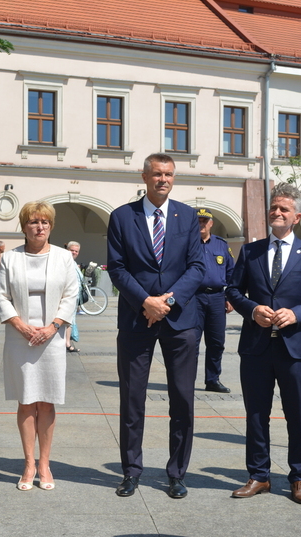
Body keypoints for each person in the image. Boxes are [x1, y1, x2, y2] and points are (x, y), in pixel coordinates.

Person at [106, 153, 205, 500]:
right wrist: (145, 302)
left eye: (169, 174)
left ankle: (177, 474)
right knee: (132, 399)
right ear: (145, 177)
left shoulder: (187, 216)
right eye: (158, 174)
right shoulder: (122, 217)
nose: (164, 179)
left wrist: (167, 301)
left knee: (182, 400)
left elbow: (197, 266)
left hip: (181, 321)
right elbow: (117, 268)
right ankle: (131, 471)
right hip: (137, 318)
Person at [226, 183, 301, 504]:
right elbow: (232, 290)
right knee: (256, 414)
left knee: (297, 415)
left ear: (297, 217)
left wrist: (297, 313)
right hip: (255, 347)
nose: (277, 213)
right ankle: (259, 475)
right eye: (274, 207)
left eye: (284, 209)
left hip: (294, 348)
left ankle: (299, 478)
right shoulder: (251, 251)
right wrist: (252, 309)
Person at [0, 202, 80, 491]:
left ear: (51, 226)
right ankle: (29, 463)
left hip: (51, 337)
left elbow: (71, 294)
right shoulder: (10, 258)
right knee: (26, 400)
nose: (39, 227)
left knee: (47, 400)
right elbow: (1, 295)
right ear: (24, 226)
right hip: (20, 336)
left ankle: (44, 463)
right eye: (33, 222)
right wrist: (19, 325)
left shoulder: (63, 257)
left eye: (45, 222)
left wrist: (53, 327)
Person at [195, 208, 234, 393]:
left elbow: (232, 272)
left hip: (218, 298)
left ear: (211, 223)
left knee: (217, 342)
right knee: (191, 342)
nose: (201, 224)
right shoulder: (187, 244)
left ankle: (212, 380)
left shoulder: (221, 245)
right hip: (194, 298)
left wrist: (230, 297)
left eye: (205, 221)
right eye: (198, 220)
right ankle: (186, 380)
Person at [64, 241, 83, 352]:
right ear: (67, 250)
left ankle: (67, 343)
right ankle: (67, 344)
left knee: (70, 320)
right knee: (68, 321)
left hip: (74, 297)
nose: (74, 253)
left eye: (76, 251)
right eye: (72, 250)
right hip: (68, 297)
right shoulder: (65, 262)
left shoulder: (74, 263)